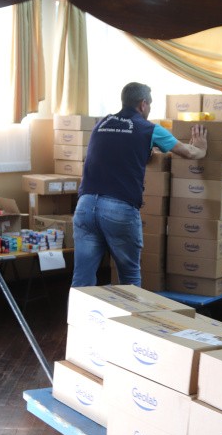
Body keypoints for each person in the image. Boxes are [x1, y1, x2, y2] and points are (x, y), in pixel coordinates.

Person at [71, 82, 208, 287]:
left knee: (82, 278)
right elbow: (188, 152)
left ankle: (76, 310)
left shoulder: (102, 124)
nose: (149, 109)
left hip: (85, 206)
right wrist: (201, 148)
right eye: (150, 105)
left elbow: (114, 152)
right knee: (130, 278)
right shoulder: (149, 129)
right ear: (143, 104)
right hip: (118, 209)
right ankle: (131, 310)